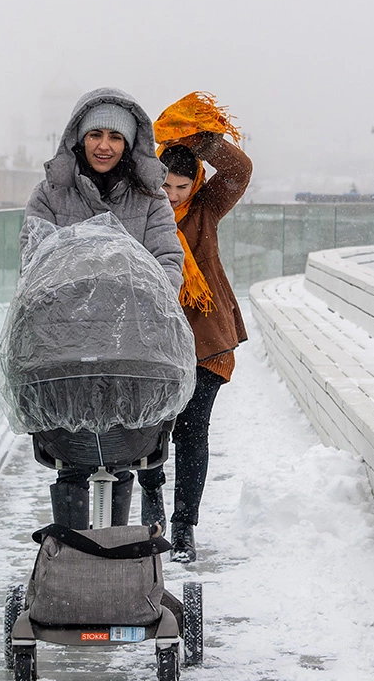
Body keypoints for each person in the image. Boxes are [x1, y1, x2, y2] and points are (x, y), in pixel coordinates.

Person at [22, 87, 183, 530]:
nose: (105, 145)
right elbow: (34, 263)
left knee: (122, 447)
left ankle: (113, 555)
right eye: (96, 134)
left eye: (116, 136)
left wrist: (142, 297)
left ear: (129, 144)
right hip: (66, 346)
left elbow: (168, 261)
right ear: (78, 138)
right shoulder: (50, 196)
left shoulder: (150, 200)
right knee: (71, 456)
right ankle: (75, 559)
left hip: (132, 343)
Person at [139, 92, 253, 563]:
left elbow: (239, 172)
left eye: (182, 187)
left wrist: (198, 137)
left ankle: (184, 526)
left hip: (206, 343)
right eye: (165, 185)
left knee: (192, 432)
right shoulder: (140, 215)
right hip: (154, 344)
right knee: (147, 430)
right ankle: (152, 511)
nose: (173, 196)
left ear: (195, 185)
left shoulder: (206, 210)